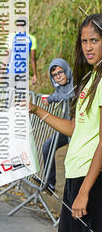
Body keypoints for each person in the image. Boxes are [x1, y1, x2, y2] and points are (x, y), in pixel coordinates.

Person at [29, 14, 102, 232]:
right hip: (74, 176)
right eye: (85, 41)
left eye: (95, 40)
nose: (88, 47)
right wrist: (37, 111)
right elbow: (76, 130)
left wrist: (86, 189)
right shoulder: (90, 80)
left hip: (92, 179)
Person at [40, 59, 75, 192]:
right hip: (66, 127)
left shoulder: (75, 81)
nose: (58, 76)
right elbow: (57, 95)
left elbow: (69, 96)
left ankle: (73, 190)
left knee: (72, 159)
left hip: (79, 128)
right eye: (54, 75)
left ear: (66, 70)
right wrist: (49, 98)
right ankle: (50, 182)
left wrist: (50, 98)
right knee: (47, 146)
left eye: (60, 72)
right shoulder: (59, 87)